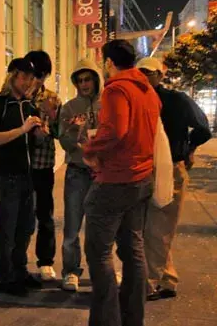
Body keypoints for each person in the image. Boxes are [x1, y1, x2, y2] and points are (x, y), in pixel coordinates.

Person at [82, 40, 161, 326]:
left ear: (108, 62)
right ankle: (132, 319)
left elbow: (115, 129)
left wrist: (90, 150)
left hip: (115, 180)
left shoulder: (117, 89)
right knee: (133, 251)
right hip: (141, 178)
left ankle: (105, 321)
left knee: (99, 253)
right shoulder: (147, 90)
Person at [137, 57, 211, 301]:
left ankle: (152, 282)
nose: (145, 77)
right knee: (155, 228)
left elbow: (203, 128)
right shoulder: (141, 99)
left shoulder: (175, 99)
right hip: (146, 167)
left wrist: (187, 148)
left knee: (157, 229)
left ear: (160, 75)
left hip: (170, 168)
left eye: (149, 73)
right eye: (141, 73)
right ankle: (167, 278)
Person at [0, 57, 43, 296]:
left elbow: (34, 139)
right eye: (24, 76)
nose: (28, 82)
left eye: (31, 78)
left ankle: (19, 271)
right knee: (7, 229)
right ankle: (4, 277)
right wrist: (22, 130)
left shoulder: (29, 106)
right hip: (6, 176)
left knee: (26, 228)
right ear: (12, 76)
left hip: (28, 176)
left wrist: (39, 133)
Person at [58, 59, 103, 291]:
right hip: (77, 172)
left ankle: (100, 270)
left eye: (88, 79)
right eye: (80, 80)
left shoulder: (108, 104)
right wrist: (75, 129)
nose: (84, 84)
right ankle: (70, 271)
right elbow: (64, 143)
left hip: (102, 173)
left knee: (102, 226)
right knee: (72, 226)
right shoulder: (69, 108)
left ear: (96, 79)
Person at [24, 50, 61, 281]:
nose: (36, 79)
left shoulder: (52, 98)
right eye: (33, 73)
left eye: (41, 74)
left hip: (43, 164)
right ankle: (16, 264)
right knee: (21, 216)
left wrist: (52, 115)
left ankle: (45, 261)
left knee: (45, 215)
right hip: (18, 165)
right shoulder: (14, 94)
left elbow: (60, 133)